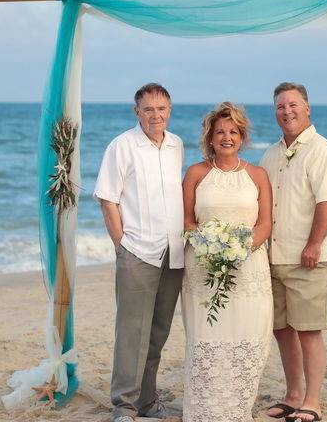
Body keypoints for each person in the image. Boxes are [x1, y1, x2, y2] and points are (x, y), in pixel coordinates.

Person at [93, 83, 184, 422]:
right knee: (132, 333)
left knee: (158, 331)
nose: (155, 115)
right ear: (137, 112)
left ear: (169, 110)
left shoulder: (176, 145)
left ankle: (148, 401)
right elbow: (108, 198)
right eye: (148, 109)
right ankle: (124, 406)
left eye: (161, 109)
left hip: (172, 253)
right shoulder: (122, 146)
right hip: (137, 252)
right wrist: (122, 246)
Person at [181, 102, 273, 422]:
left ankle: (236, 409)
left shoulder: (258, 175)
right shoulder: (195, 173)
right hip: (203, 268)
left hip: (248, 268)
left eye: (233, 131)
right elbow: (187, 221)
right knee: (207, 336)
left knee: (247, 335)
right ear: (209, 137)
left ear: (242, 136)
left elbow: (265, 224)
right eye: (219, 131)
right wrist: (210, 247)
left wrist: (238, 248)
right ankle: (204, 409)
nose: (226, 137)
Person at [260, 83, 327, 422]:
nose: (287, 111)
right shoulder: (271, 154)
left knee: (308, 330)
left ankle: (313, 401)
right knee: (282, 329)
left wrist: (313, 244)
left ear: (308, 109)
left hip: (310, 257)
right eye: (280, 106)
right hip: (275, 256)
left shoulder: (321, 150)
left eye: (293, 104)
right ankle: (293, 395)